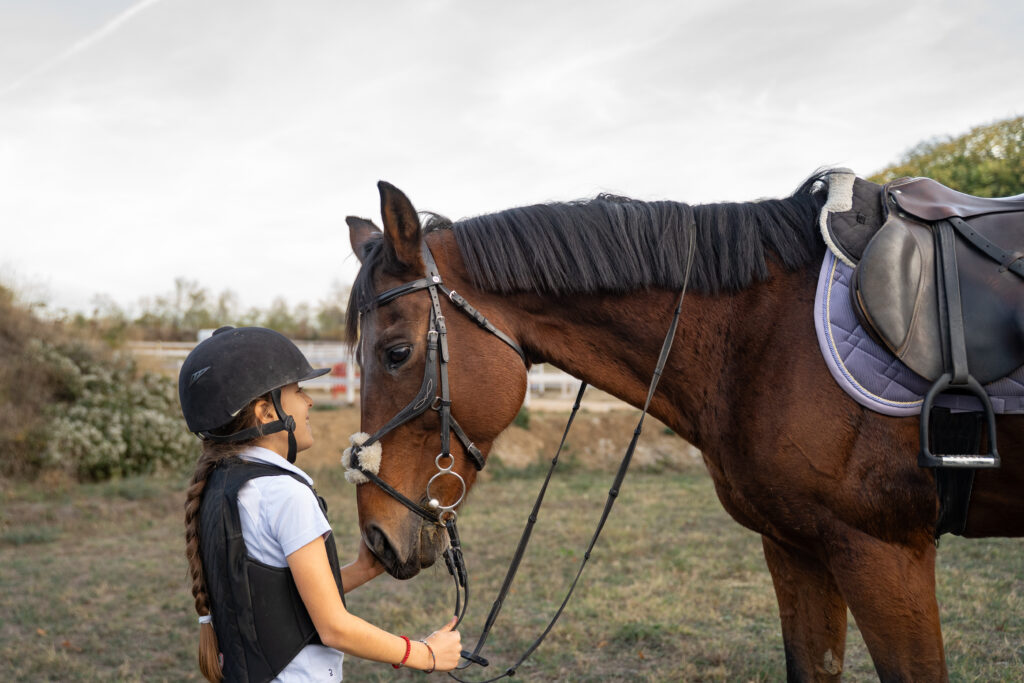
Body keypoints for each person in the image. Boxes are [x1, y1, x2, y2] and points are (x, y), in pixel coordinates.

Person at [180, 326, 460, 681]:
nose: (309, 401)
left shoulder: (222, 485)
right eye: (298, 390)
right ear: (266, 412)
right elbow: (334, 628)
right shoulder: (285, 493)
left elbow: (277, 602)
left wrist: (362, 569)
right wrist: (425, 654)